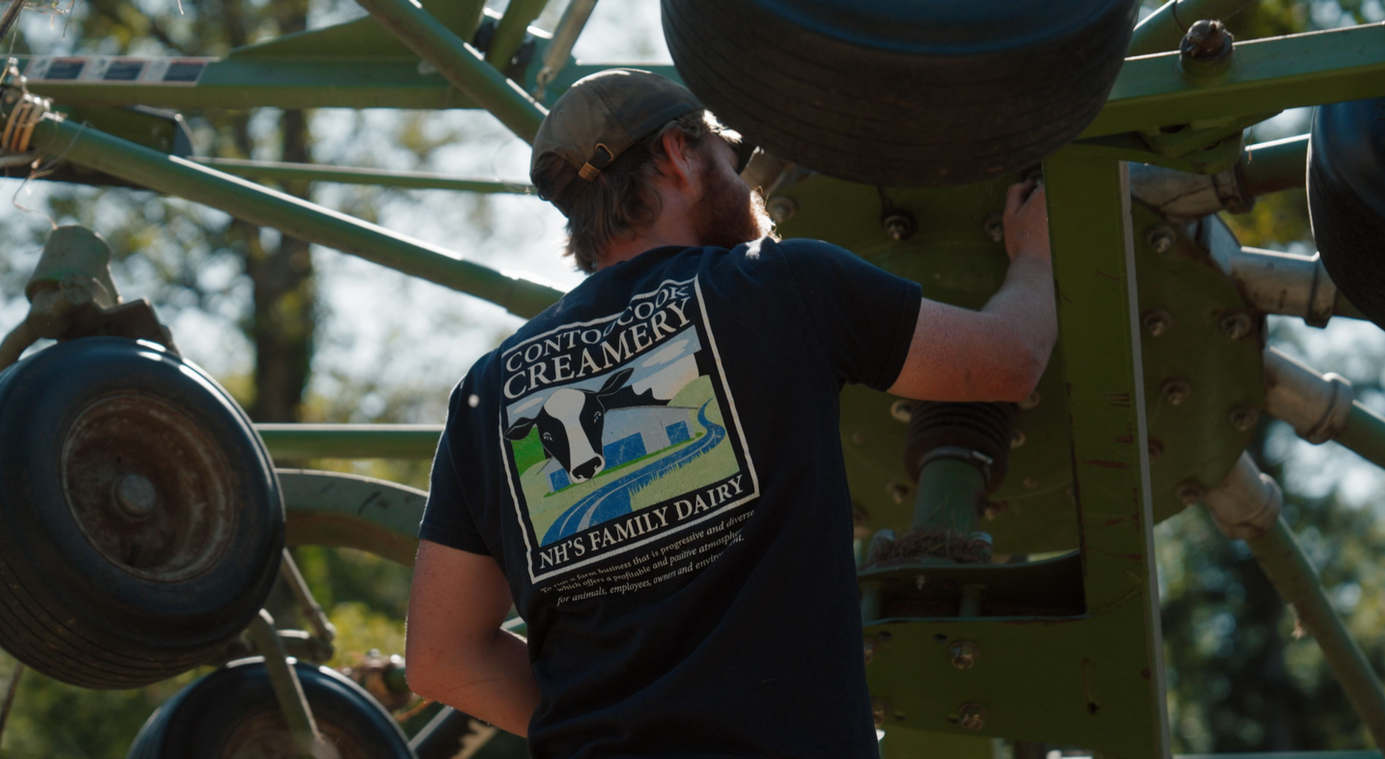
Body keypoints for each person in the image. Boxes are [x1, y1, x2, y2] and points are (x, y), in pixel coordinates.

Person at [406, 68, 1056, 758]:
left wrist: (612, 726)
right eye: (730, 159)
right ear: (676, 156)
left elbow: (440, 658)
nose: (749, 187)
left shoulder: (488, 390)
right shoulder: (782, 283)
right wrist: (1039, 255)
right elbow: (1008, 359)